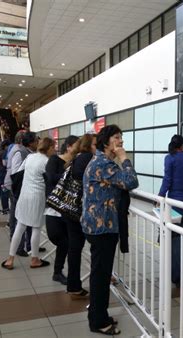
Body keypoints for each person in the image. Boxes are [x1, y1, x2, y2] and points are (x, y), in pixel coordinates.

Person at [82, 125, 138, 335]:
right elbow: (131, 181)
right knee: (100, 276)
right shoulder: (104, 163)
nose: (121, 141)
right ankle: (97, 321)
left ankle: (99, 315)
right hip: (102, 227)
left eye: (121, 137)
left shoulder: (99, 161)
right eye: (117, 137)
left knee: (101, 275)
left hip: (98, 225)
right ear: (106, 142)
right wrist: (125, 158)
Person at [1, 137, 56, 270]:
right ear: (48, 148)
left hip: (24, 196)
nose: (54, 150)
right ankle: (35, 259)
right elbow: (51, 181)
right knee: (36, 228)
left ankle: (10, 259)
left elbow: (18, 173)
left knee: (20, 227)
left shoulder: (30, 157)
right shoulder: (47, 162)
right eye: (53, 147)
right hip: (37, 197)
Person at [44, 135, 79, 285]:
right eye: (77, 145)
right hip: (54, 206)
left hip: (69, 208)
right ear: (69, 146)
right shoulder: (55, 160)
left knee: (68, 243)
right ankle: (58, 272)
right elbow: (50, 178)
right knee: (57, 237)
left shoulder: (78, 162)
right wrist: (67, 174)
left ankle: (57, 272)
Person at [64, 133, 96, 298]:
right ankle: (100, 279)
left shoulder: (76, 158)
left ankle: (73, 285)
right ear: (90, 145)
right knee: (96, 247)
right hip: (83, 209)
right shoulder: (90, 159)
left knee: (74, 248)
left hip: (71, 208)